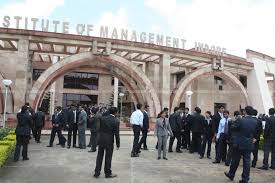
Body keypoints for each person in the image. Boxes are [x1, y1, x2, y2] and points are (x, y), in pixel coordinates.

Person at [224, 106, 257, 183]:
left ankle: (231, 174)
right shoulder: (255, 121)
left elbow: (233, 128)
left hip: (239, 143)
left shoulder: (241, 120)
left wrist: (231, 123)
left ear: (245, 111)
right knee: (247, 162)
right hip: (249, 144)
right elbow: (256, 132)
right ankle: (245, 179)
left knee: (235, 160)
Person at [94, 107, 120, 179]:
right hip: (109, 141)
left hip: (101, 139)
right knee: (108, 157)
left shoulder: (103, 118)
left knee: (99, 156)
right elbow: (116, 134)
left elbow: (99, 129)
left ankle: (96, 172)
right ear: (116, 112)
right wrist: (118, 144)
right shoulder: (116, 121)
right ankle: (107, 173)